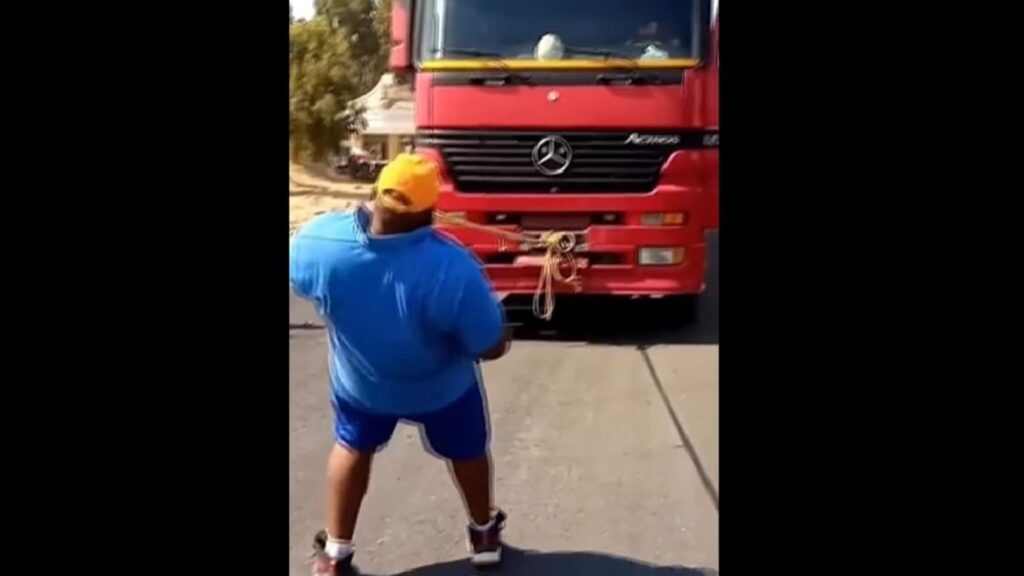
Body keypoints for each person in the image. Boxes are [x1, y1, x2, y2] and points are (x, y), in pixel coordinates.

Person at [290, 153, 512, 576]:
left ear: (374, 194)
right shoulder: (452, 266)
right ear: (430, 212)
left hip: (363, 388)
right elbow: (488, 346)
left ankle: (335, 556)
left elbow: (303, 280)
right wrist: (503, 333)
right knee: (468, 450)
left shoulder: (318, 241)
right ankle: (484, 535)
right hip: (441, 390)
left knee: (352, 446)